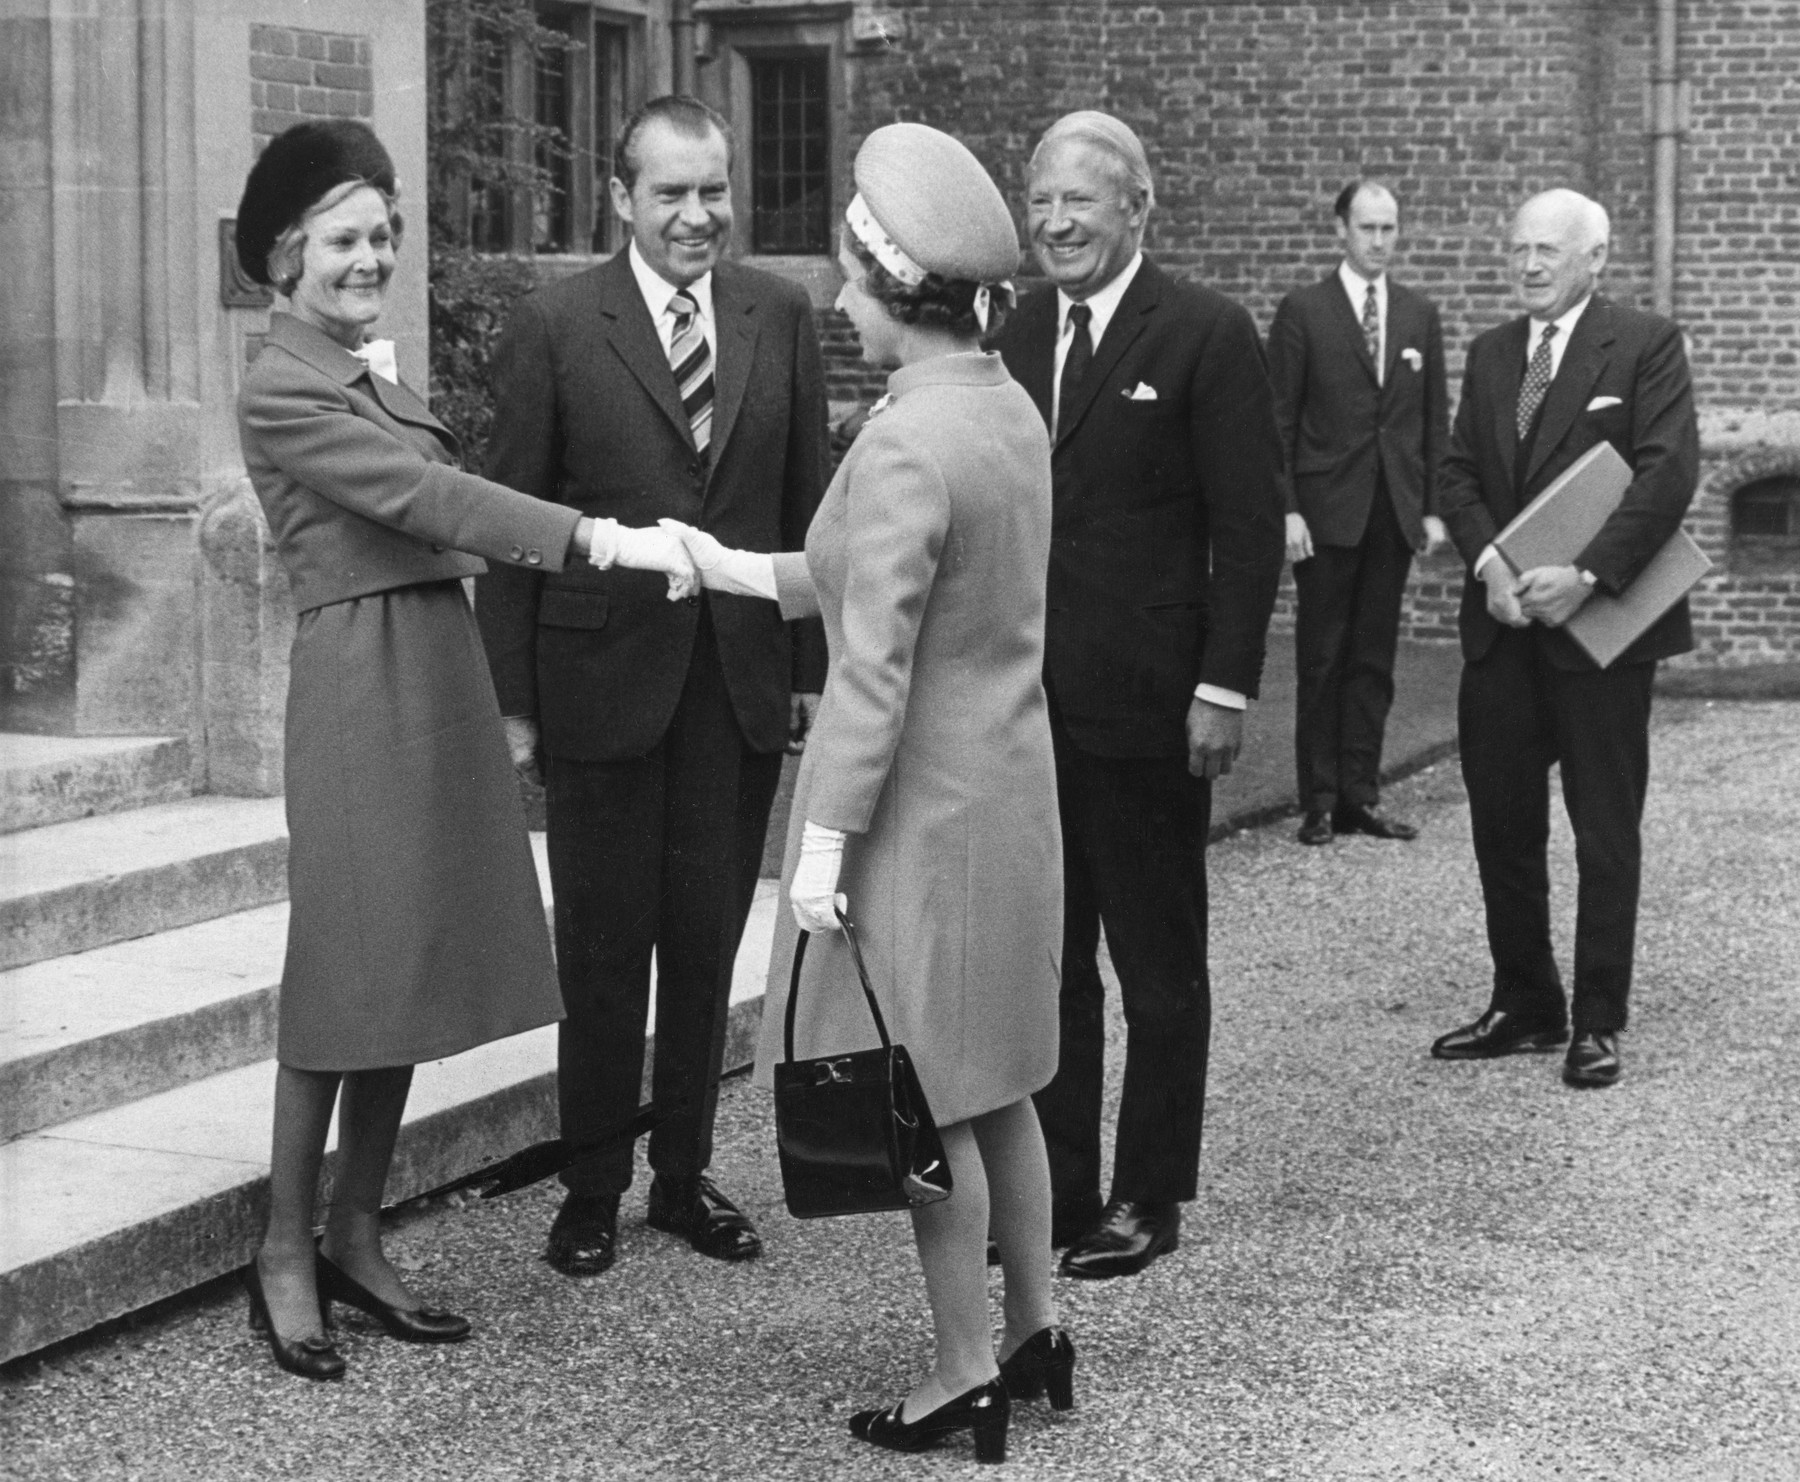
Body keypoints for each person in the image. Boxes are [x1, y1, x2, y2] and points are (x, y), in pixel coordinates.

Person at [232, 121, 695, 1380]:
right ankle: (285, 1249)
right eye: (343, 239)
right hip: (359, 685)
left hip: (429, 667)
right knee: (343, 973)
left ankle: (356, 1233)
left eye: (382, 234)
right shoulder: (284, 383)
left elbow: (436, 499)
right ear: (284, 258)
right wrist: (599, 539)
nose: (370, 256)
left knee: (413, 964)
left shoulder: (365, 375)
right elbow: (432, 500)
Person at [668, 122, 1069, 1466]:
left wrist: (821, 847)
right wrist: (737, 568)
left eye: (849, 277)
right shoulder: (999, 404)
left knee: (916, 1099)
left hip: (919, 821)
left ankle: (962, 1370)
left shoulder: (903, 443)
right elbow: (903, 586)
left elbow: (873, 677)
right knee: (1002, 1083)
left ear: (897, 290)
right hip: (1006, 799)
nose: (837, 301)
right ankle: (1035, 1326)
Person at [476, 96, 830, 1278]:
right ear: (621, 199)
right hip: (599, 686)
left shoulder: (779, 313)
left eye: (714, 190)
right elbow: (513, 526)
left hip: (734, 684)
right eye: (671, 193)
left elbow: (806, 510)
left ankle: (682, 1177)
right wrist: (515, 701)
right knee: (602, 948)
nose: (698, 216)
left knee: (706, 940)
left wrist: (809, 676)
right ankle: (590, 1184)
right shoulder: (557, 324)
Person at [994, 112, 1285, 1280]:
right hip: (1026, 711)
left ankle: (1149, 1193)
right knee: (1049, 964)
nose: (1057, 223)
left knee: (1159, 966)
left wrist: (1223, 686)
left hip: (1155, 710)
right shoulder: (1014, 330)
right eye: (1042, 202)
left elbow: (1250, 528)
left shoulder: (1207, 334)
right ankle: (1061, 1189)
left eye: (1081, 203)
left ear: (1136, 209)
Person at [1431, 188, 1699, 1090]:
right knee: (1503, 824)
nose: (1530, 265)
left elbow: (1667, 475)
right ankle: (1526, 1003)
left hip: (1602, 631)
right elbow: (1459, 472)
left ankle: (1597, 1019)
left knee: (1603, 829)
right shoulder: (1492, 352)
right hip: (1503, 630)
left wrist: (1584, 574)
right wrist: (1492, 567)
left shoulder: (1646, 343)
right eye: (1519, 250)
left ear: (1597, 259)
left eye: (1549, 250)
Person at [1267, 180, 1449, 846]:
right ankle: (1316, 799)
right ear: (1342, 230)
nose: (1379, 241)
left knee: (1373, 660)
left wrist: (1430, 509)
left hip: (1392, 512)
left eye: (1390, 229)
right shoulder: (1304, 312)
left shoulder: (1416, 315)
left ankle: (1360, 795)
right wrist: (1287, 510)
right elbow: (1277, 422)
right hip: (1325, 512)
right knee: (1322, 659)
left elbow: (1433, 419)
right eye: (1368, 228)